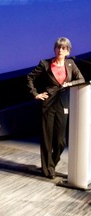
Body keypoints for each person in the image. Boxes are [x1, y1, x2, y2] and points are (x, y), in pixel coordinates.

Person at [27, 37, 85, 179]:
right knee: (47, 138)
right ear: (55, 49)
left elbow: (81, 79)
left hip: (63, 104)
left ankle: (51, 163)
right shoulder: (45, 64)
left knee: (60, 142)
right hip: (47, 104)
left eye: (64, 48)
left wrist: (69, 84)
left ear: (68, 51)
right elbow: (29, 77)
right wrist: (35, 94)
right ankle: (48, 170)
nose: (60, 50)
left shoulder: (70, 64)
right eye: (58, 47)